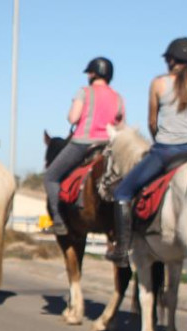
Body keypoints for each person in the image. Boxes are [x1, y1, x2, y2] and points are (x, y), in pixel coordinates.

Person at [108, 37, 187, 265]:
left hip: (165, 153)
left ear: (171, 59)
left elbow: (152, 121)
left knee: (122, 192)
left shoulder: (159, 84)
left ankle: (121, 249)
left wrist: (159, 141)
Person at [43, 57, 125, 235]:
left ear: (93, 74)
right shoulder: (118, 97)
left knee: (50, 176)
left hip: (83, 143)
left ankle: (58, 221)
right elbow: (121, 126)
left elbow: (72, 118)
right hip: (109, 146)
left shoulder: (84, 92)